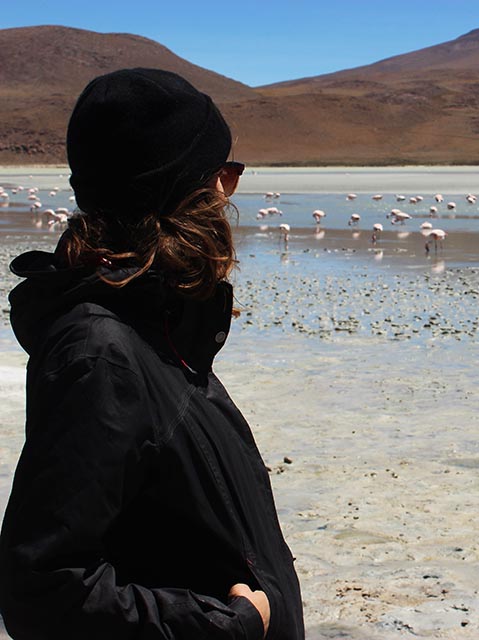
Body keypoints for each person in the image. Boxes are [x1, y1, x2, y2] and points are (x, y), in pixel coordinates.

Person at [0, 68, 304, 639]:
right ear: (181, 191)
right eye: (223, 174)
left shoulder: (162, 331)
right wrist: (228, 627)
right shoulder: (103, 353)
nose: (227, 194)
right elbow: (41, 588)